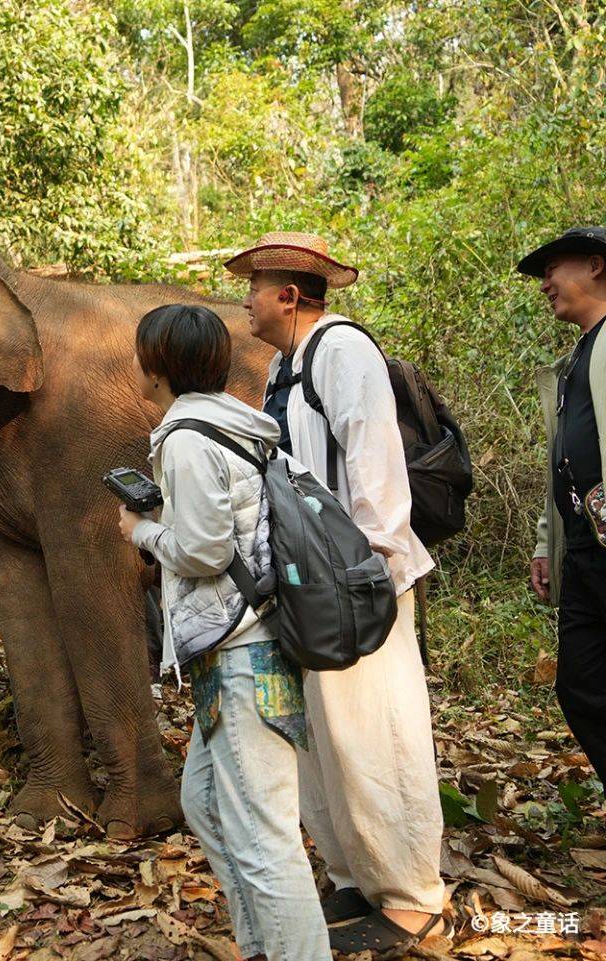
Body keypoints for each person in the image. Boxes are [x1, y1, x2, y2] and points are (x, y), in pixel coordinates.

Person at [227, 233, 447, 953]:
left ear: (289, 294)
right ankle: (354, 874)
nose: (247, 301)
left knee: (376, 732)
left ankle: (414, 897)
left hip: (357, 580)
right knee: (325, 740)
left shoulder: (344, 351)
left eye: (255, 287)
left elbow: (373, 453)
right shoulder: (283, 367)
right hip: (309, 579)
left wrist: (374, 566)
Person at [118, 305, 327, 961]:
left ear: (158, 366)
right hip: (248, 643)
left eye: (142, 355)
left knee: (265, 835)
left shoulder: (184, 437)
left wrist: (142, 531)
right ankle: (262, 945)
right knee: (204, 803)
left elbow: (206, 550)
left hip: (244, 651)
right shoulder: (238, 424)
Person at [522, 226, 606, 785]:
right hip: (583, 549)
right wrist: (545, 541)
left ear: (597, 265)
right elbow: (564, 458)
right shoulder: (575, 360)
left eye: (555, 268)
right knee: (580, 686)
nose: (546, 283)